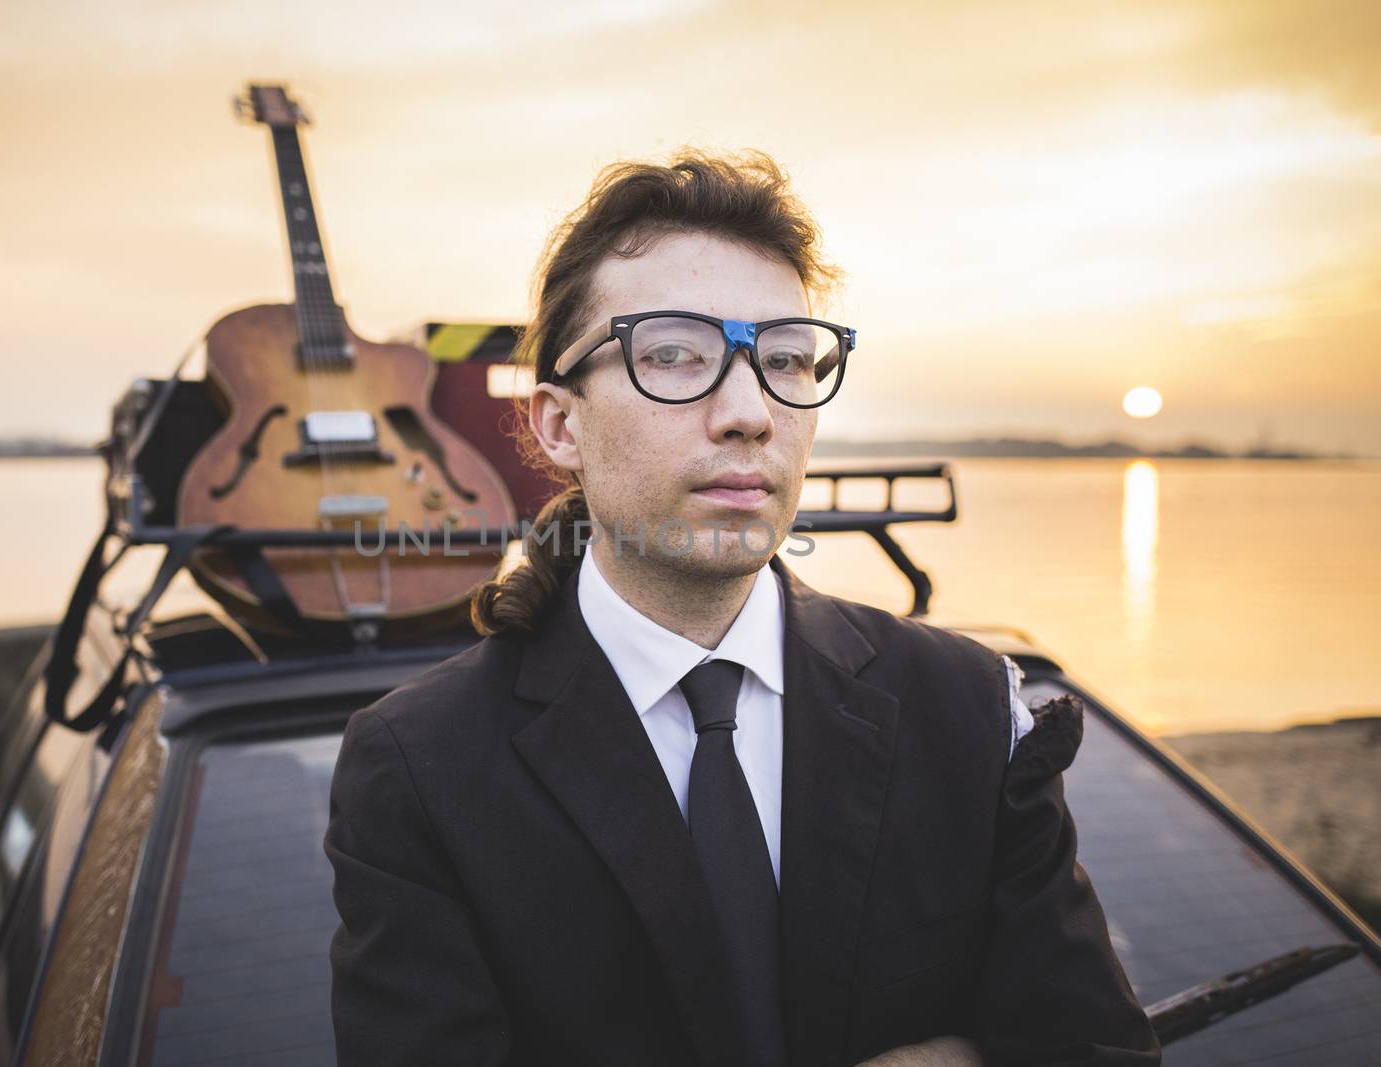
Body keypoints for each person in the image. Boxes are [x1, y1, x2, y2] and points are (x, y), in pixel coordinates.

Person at [323, 150, 1161, 1066]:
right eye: (674, 353)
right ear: (561, 425)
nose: (749, 411)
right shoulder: (420, 766)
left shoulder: (964, 705)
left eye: (787, 358)